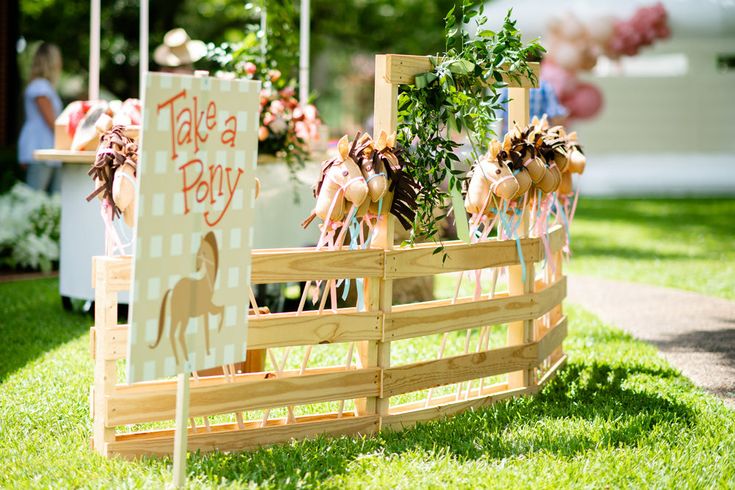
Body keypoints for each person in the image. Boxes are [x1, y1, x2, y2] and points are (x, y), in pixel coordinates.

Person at [18, 42, 63, 194]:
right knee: (35, 197)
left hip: (47, 146)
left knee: (51, 200)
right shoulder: (40, 87)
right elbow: (51, 121)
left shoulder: (44, 86)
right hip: (40, 146)